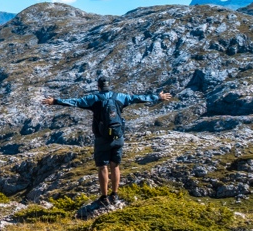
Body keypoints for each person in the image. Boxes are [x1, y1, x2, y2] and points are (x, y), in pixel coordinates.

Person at [41, 77, 172, 207]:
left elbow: (75, 102)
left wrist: (55, 101)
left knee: (102, 166)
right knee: (115, 165)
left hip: (102, 139)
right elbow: (138, 98)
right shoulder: (120, 97)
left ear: (98, 87)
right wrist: (157, 97)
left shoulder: (94, 99)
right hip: (118, 137)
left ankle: (104, 197)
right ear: (109, 86)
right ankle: (114, 194)